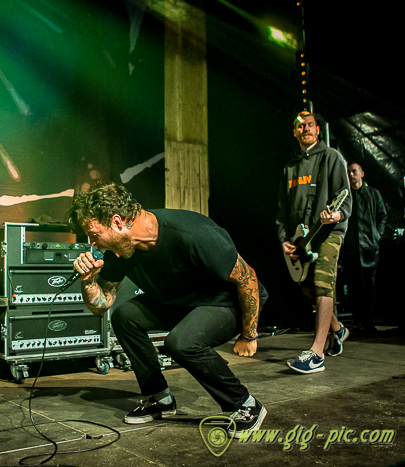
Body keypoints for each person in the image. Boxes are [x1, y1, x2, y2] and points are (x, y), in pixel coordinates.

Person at [67, 182, 268, 437]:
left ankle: (244, 404)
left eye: (94, 235)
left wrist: (249, 335)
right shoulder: (122, 250)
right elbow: (102, 304)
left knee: (181, 343)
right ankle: (159, 398)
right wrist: (87, 281)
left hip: (225, 302)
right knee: (125, 317)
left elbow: (248, 279)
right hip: (180, 302)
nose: (94, 245)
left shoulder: (194, 234)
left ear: (117, 222)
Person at [276, 110, 352, 374]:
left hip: (329, 233)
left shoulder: (331, 157)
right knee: (309, 291)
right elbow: (282, 211)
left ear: (318, 130)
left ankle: (316, 354)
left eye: (310, 125)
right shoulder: (290, 167)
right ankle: (337, 330)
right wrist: (284, 239)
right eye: (300, 126)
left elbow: (345, 196)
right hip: (302, 240)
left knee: (322, 284)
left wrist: (336, 215)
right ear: (294, 132)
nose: (305, 129)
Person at [339, 162, 387, 332]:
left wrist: (376, 236)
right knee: (353, 286)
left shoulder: (373, 194)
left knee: (369, 286)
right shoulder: (345, 197)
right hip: (351, 249)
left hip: (369, 248)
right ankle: (357, 319)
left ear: (362, 173)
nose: (351, 175)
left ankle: (367, 319)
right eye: (349, 172)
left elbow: (382, 216)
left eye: (354, 171)